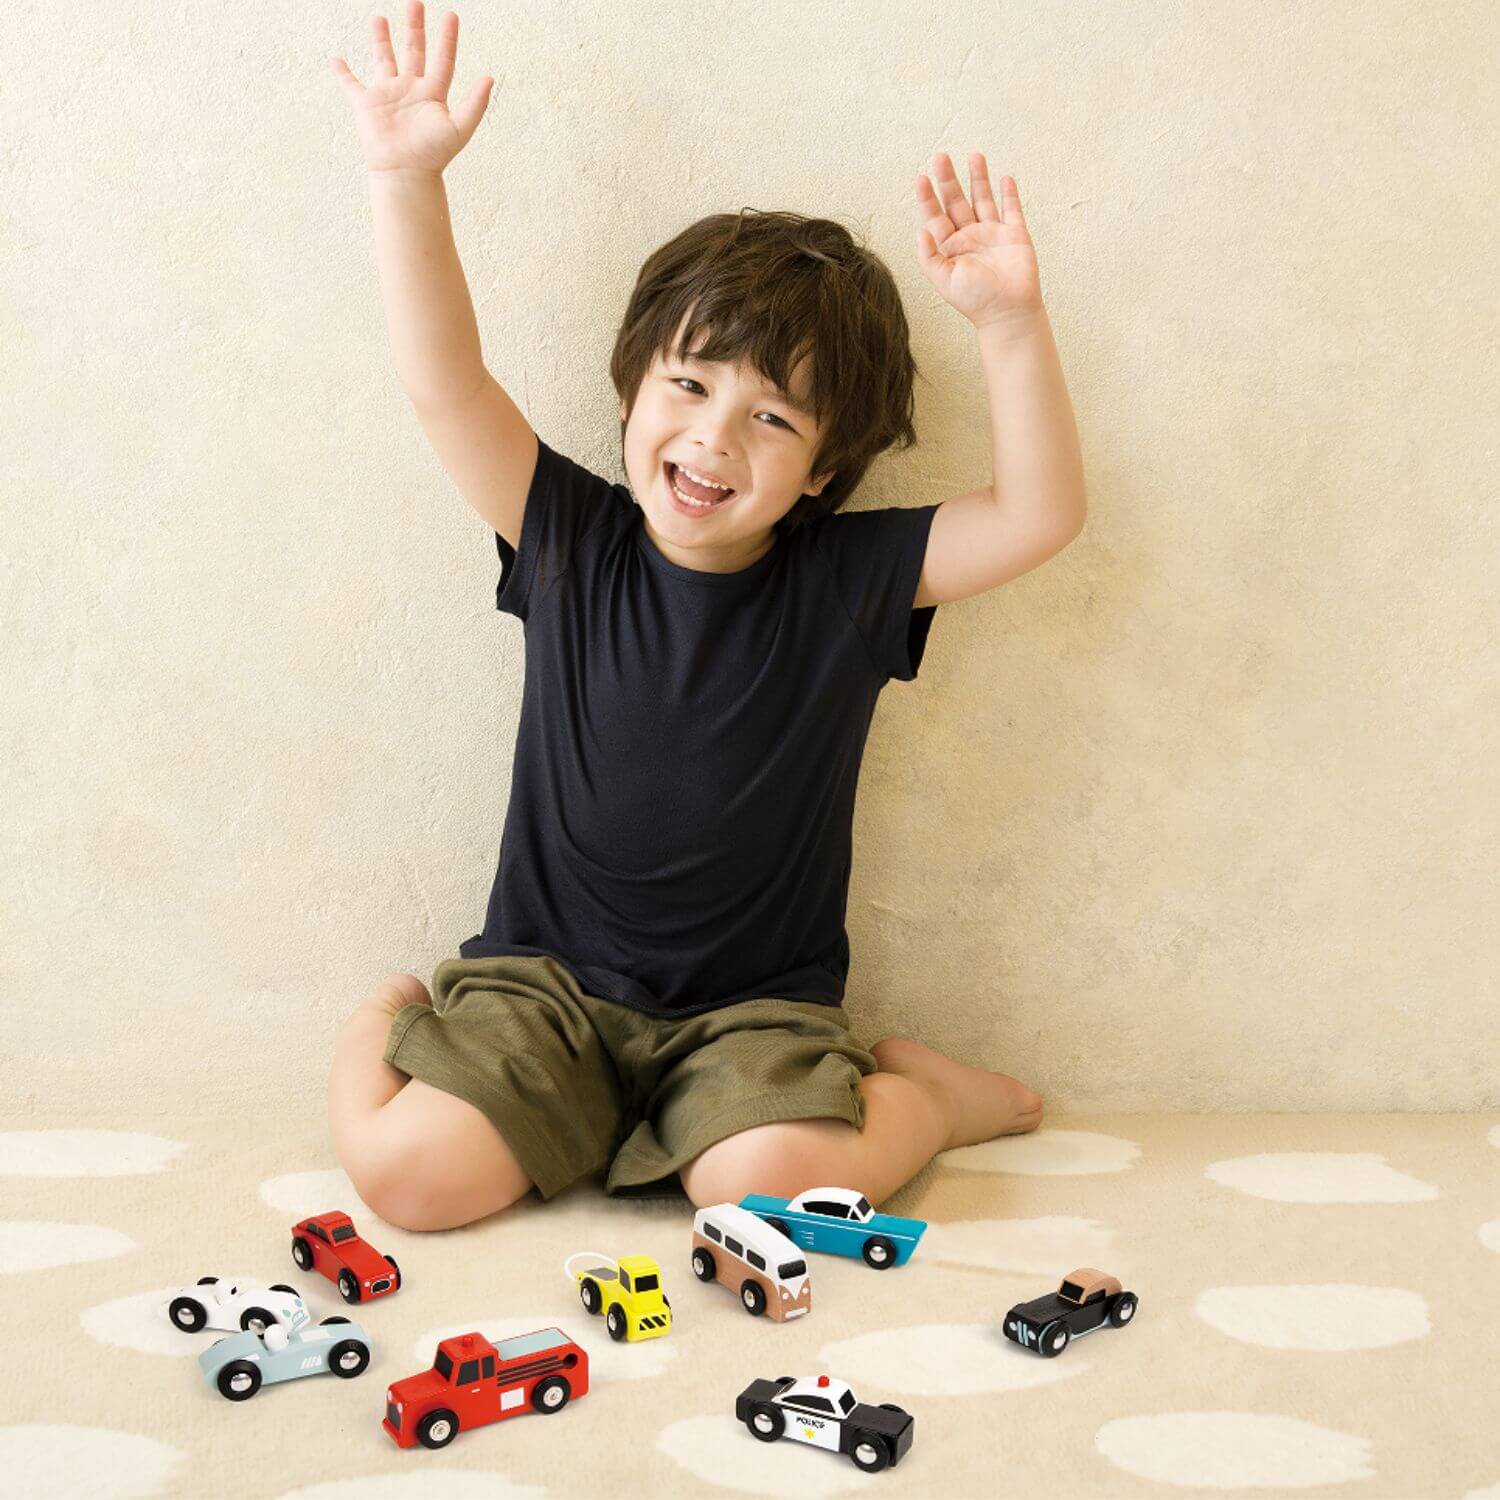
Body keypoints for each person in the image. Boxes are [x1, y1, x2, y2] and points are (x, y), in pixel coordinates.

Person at [326, 3, 1085, 1232]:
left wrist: (1007, 321)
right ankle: (382, 1025)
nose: (712, 438)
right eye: (687, 385)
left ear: (826, 472)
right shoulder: (570, 536)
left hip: (753, 1019)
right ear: (632, 388)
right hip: (542, 996)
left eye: (773, 418)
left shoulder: (848, 578)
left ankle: (931, 1102)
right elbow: (444, 381)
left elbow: (1042, 513)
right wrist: (404, 178)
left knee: (756, 1194)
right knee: (411, 1184)